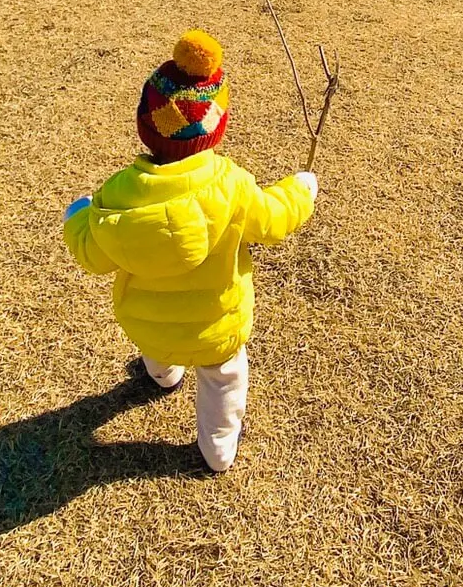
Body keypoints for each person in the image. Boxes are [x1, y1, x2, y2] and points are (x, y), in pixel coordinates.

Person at [63, 29, 317, 473]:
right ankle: (217, 449)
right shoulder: (232, 185)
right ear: (215, 128)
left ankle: (161, 374)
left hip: (147, 326)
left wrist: (78, 214)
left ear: (146, 125)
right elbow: (274, 218)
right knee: (223, 379)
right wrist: (301, 191)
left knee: (160, 348)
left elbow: (90, 253)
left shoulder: (117, 194)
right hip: (217, 326)